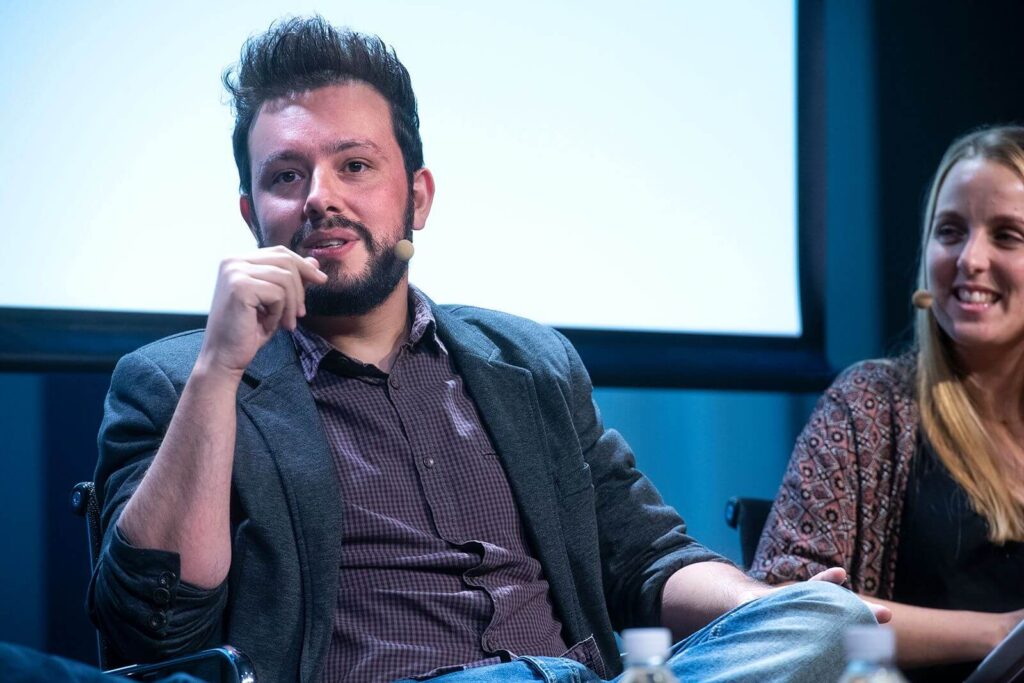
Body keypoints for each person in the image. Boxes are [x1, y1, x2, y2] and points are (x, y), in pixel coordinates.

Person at [89, 15, 881, 683]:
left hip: (577, 673)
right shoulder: (175, 383)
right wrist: (218, 371)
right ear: (251, 212)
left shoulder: (527, 360)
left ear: (418, 197)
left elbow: (646, 555)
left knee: (826, 618)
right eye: (287, 176)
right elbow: (155, 632)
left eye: (354, 165)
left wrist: (762, 607)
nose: (320, 196)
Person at [752, 124, 1024, 682]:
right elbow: (783, 609)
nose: (970, 258)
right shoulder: (871, 406)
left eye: (1006, 235)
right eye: (950, 231)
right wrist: (1003, 635)